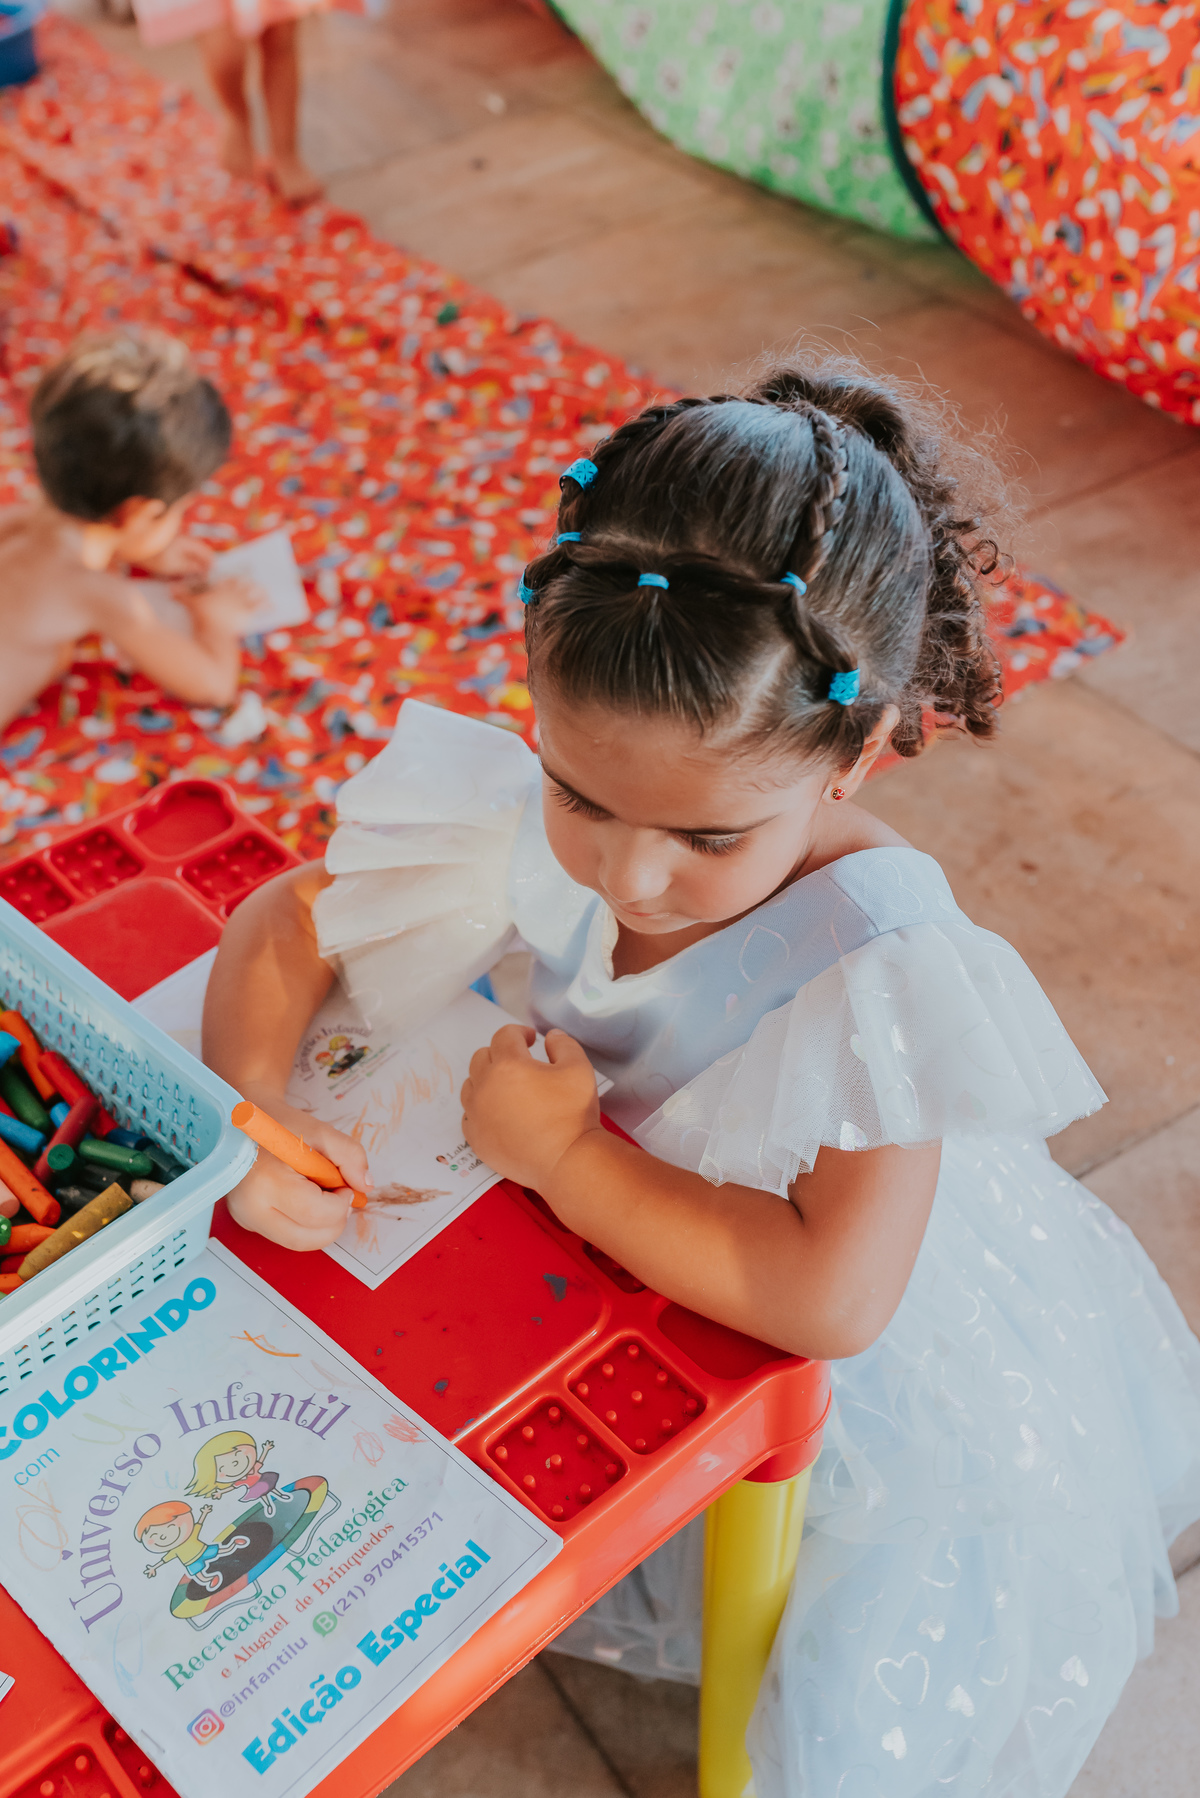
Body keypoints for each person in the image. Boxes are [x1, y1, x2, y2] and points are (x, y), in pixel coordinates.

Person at [202, 361, 1200, 1796]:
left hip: (854, 1389)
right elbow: (292, 921)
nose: (626, 872)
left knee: (840, 1662)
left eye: (707, 838)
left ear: (855, 754)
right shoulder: (601, 776)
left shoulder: (878, 967)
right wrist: (254, 1103)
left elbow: (831, 1301)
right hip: (608, 1257)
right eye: (575, 798)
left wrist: (570, 1160)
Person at [0, 329, 260, 733]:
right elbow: (212, 685)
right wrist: (216, 623)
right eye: (177, 513)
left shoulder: (18, 520)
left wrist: (141, 546)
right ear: (137, 514)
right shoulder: (100, 595)